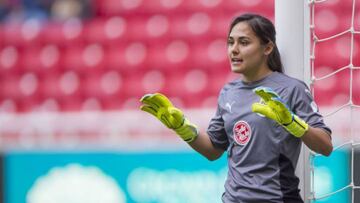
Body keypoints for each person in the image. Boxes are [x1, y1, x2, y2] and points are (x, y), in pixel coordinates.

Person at [140, 13, 333, 203]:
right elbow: (213, 150)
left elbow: (325, 146)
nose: (234, 49)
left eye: (244, 42)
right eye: (230, 42)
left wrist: (292, 123)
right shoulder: (228, 92)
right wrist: (181, 127)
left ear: (267, 48)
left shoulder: (292, 89)